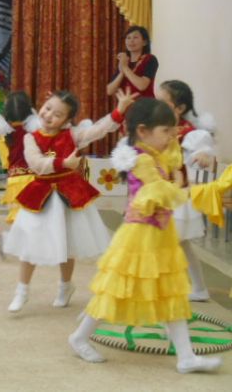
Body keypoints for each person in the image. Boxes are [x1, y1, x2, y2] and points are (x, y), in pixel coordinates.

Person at [69, 98, 223, 373]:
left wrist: (179, 147)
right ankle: (79, 337)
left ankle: (186, 357)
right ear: (143, 131)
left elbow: (174, 160)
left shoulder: (157, 154)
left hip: (161, 237)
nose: (171, 136)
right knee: (116, 290)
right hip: (138, 238)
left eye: (173, 131)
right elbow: (157, 192)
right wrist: (180, 186)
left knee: (170, 293)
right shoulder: (140, 160)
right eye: (166, 131)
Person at [3, 89, 136, 312]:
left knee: (67, 243)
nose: (48, 115)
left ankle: (65, 286)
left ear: (66, 120)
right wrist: (63, 163)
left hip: (69, 194)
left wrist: (119, 111)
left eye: (57, 114)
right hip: (40, 194)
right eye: (47, 108)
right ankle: (22, 291)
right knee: (30, 243)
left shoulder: (72, 135)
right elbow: (36, 163)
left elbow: (97, 130)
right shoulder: (30, 137)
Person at [157, 80, 216, 301]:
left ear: (180, 108)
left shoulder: (187, 131)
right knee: (178, 244)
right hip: (157, 192)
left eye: (163, 102)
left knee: (169, 243)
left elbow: (201, 148)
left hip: (175, 196)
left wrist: (203, 155)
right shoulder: (156, 126)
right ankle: (199, 288)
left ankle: (183, 287)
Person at [0, 91, 38, 224]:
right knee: (35, 216)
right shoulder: (36, 131)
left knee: (18, 217)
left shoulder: (5, 134)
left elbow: (6, 162)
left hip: (15, 178)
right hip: (36, 178)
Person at [107, 26, 158, 99]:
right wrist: (122, 72)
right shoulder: (124, 61)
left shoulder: (150, 59)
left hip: (145, 104)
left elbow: (142, 86)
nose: (131, 41)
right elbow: (109, 91)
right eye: (128, 38)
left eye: (135, 37)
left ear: (144, 42)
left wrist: (125, 67)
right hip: (125, 104)